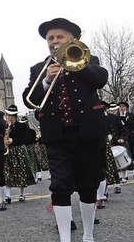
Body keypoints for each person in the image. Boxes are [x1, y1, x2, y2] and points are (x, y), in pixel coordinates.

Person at [22, 18, 108, 242]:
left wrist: (75, 65)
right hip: (57, 137)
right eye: (50, 38)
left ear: (72, 39)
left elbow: (101, 78)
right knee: (59, 187)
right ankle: (64, 238)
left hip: (87, 134)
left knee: (88, 185)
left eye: (59, 37)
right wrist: (46, 81)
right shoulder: (39, 69)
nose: (54, 41)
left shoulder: (88, 60)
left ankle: (88, 235)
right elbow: (29, 100)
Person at [3, 109, 37, 203]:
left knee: (21, 171)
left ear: (14, 116)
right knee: (7, 173)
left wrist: (13, 140)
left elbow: (25, 139)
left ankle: (22, 194)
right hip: (8, 151)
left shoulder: (21, 126)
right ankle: (7, 195)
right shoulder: (5, 126)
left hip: (18, 150)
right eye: (8, 116)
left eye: (10, 116)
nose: (9, 118)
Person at [118, 101, 134, 181]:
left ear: (126, 107)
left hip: (130, 136)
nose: (121, 108)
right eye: (120, 106)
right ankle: (124, 175)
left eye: (123, 106)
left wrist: (125, 120)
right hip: (122, 137)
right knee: (123, 155)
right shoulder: (117, 116)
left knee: (133, 154)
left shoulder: (131, 115)